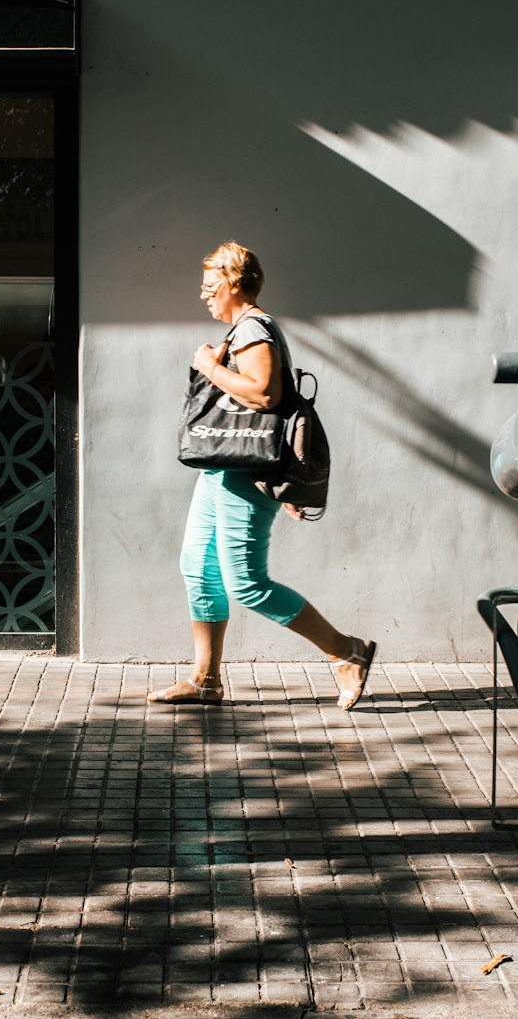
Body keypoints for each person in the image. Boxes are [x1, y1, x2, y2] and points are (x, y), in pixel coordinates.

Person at [147, 241, 376, 708]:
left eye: (210, 285)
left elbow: (264, 396)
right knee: (198, 569)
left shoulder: (253, 328)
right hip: (221, 469)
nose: (203, 293)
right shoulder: (242, 328)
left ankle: (347, 651)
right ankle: (205, 679)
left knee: (247, 584)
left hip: (244, 475)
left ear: (233, 284)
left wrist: (210, 367)